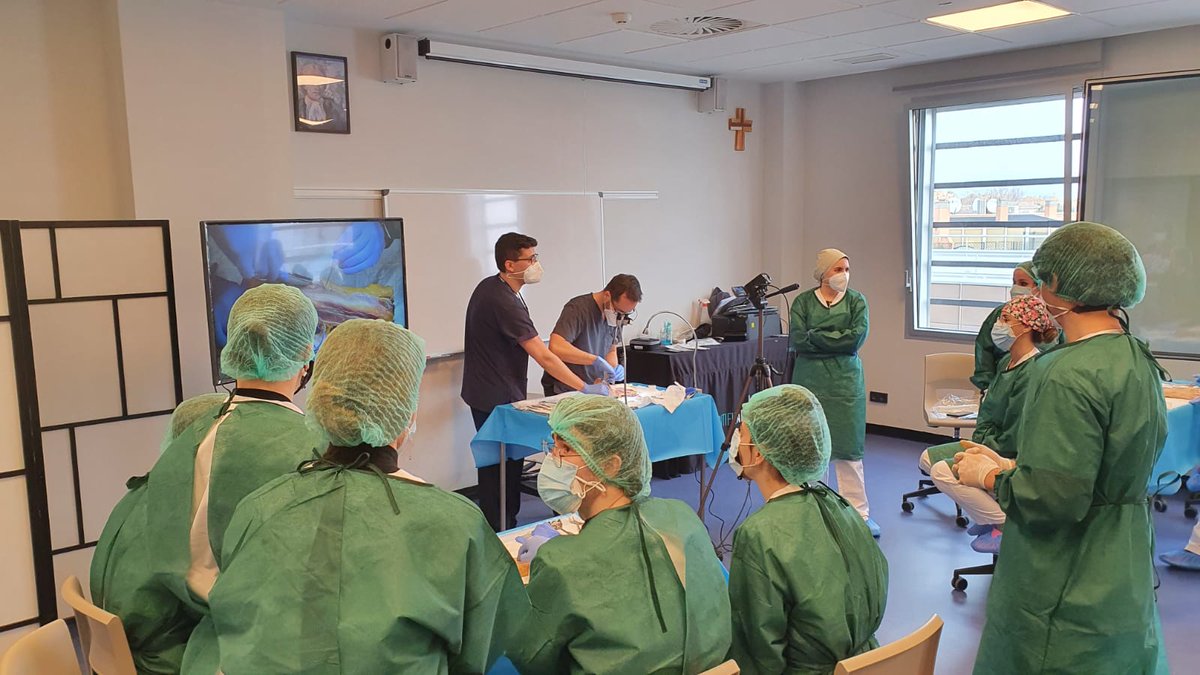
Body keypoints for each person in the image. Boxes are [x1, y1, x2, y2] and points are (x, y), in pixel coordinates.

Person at [185, 319, 527, 673]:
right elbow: (486, 647)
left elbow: (233, 622)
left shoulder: (259, 508)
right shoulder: (456, 524)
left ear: (320, 402)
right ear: (406, 414)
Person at [953, 222, 1169, 674]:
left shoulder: (1066, 372)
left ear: (1057, 283)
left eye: (1040, 280)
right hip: (1122, 557)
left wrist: (991, 477)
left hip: (1067, 570)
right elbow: (1102, 464)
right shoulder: (1136, 357)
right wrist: (1013, 463)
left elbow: (1053, 499)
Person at [90, 284, 324, 674]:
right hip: (224, 651)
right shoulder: (311, 448)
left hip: (163, 636)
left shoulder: (195, 432)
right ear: (305, 355)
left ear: (235, 348)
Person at [510, 396, 731, 674]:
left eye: (565, 449)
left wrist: (551, 565)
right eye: (552, 446)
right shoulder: (682, 515)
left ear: (610, 465)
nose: (552, 459)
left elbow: (531, 658)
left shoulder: (561, 564)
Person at [727, 385, 888, 675]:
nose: (736, 439)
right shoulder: (840, 506)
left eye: (743, 432)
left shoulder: (759, 535)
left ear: (759, 453)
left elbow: (759, 652)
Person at [462, 232, 609, 531]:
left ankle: (504, 523)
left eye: (535, 257)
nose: (535, 265)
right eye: (530, 259)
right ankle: (500, 530)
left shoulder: (496, 287)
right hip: (494, 398)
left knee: (506, 466)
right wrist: (584, 387)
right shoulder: (502, 300)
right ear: (510, 264)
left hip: (491, 390)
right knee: (499, 469)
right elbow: (544, 356)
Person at [925, 295, 1059, 554]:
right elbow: (991, 410)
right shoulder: (1006, 361)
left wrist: (985, 450)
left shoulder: (1032, 371)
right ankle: (987, 515)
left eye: (1006, 319)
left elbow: (1016, 432)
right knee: (927, 459)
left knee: (941, 472)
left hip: (1006, 450)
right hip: (988, 439)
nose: (998, 325)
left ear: (1025, 327)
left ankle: (1005, 525)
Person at [790, 249, 876, 537]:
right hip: (809, 380)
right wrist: (835, 339)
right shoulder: (803, 302)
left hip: (845, 382)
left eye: (846, 269)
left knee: (848, 447)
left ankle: (858, 514)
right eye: (838, 269)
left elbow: (855, 339)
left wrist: (817, 335)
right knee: (810, 446)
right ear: (823, 273)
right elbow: (799, 340)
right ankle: (814, 510)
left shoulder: (856, 301)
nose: (844, 275)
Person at [541, 273, 642, 396]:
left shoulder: (616, 316)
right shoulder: (578, 309)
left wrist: (612, 370)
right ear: (607, 296)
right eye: (619, 311)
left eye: (626, 313)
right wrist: (594, 360)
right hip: (566, 389)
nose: (621, 317)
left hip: (593, 388)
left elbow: (611, 350)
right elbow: (556, 347)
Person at [971, 262, 1038, 393]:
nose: (1015, 288)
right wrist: (988, 387)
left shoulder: (1052, 318)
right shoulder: (1001, 312)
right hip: (999, 383)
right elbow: (984, 351)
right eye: (1014, 282)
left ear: (1040, 286)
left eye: (1023, 283)